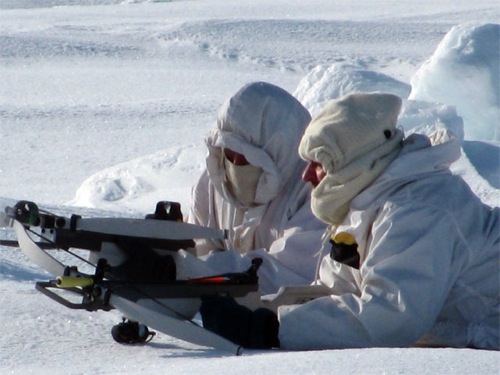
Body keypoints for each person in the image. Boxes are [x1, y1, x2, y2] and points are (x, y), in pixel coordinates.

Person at [199, 92, 500, 350]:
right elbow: (338, 292)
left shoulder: (419, 210)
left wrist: (272, 329)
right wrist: (264, 308)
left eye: (318, 164)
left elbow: (390, 315)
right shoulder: (364, 206)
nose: (305, 176)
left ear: (353, 161)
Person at [184, 82, 326, 291]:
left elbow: (291, 271)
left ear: (278, 152)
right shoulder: (214, 181)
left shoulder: (313, 188)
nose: (235, 163)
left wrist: (200, 270)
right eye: (229, 153)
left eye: (247, 156)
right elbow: (199, 248)